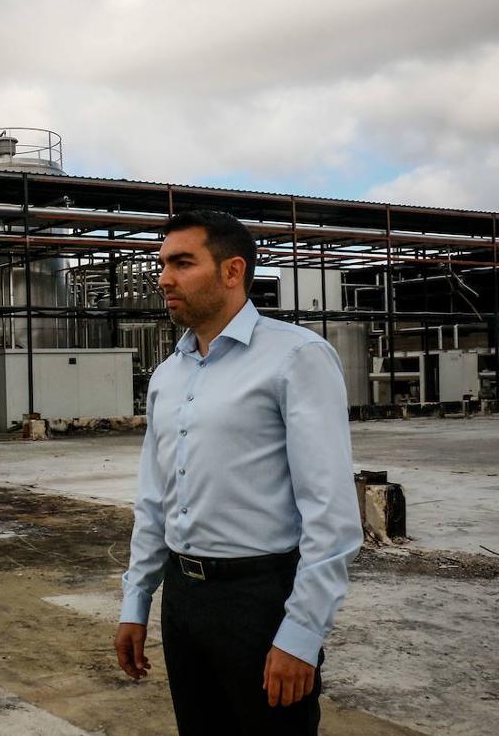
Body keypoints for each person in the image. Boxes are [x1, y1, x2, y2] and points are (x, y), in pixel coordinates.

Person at [113, 210, 363, 735]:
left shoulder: (296, 358)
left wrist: (300, 633)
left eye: (182, 263)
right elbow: (154, 499)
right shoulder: (167, 375)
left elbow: (331, 512)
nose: (163, 278)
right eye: (162, 264)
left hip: (260, 599)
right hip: (183, 599)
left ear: (233, 271)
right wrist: (136, 601)